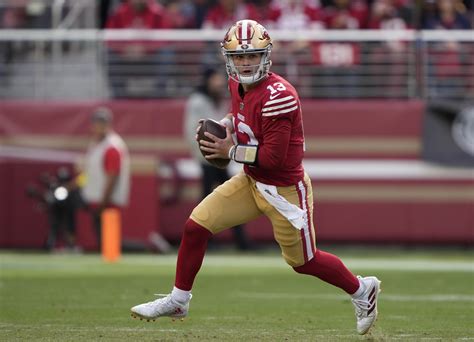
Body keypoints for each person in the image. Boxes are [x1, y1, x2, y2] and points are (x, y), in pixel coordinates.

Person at [131, 19, 381, 335]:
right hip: (251, 181)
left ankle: (361, 290)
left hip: (284, 189)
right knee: (196, 227)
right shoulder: (237, 85)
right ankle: (179, 300)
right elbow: (240, 118)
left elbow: (273, 158)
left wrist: (228, 149)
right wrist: (222, 125)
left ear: (266, 56)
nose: (246, 62)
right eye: (239, 57)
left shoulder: (280, 95)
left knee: (304, 262)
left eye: (252, 56)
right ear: (229, 59)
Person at [184, 67, 251, 251]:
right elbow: (193, 132)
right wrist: (206, 155)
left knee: (220, 199)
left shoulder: (215, 99)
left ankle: (226, 241)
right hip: (210, 158)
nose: (219, 83)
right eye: (215, 79)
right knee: (217, 199)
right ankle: (220, 241)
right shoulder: (198, 101)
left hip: (219, 156)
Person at [80, 107, 130, 249]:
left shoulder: (111, 146)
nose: (99, 127)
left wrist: (103, 201)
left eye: (102, 123)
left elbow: (112, 176)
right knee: (105, 244)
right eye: (97, 123)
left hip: (108, 202)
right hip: (97, 199)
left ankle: (142, 248)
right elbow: (90, 173)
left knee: (109, 246)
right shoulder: (96, 144)